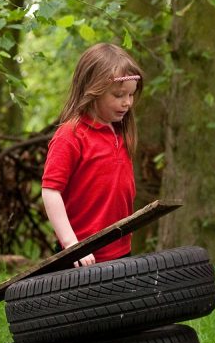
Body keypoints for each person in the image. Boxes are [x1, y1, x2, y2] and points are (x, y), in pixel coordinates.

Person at [42, 43, 142, 267]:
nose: (127, 102)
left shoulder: (119, 133)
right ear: (93, 90)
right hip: (81, 256)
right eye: (118, 95)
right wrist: (72, 245)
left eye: (131, 95)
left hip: (119, 250)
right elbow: (51, 191)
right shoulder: (71, 135)